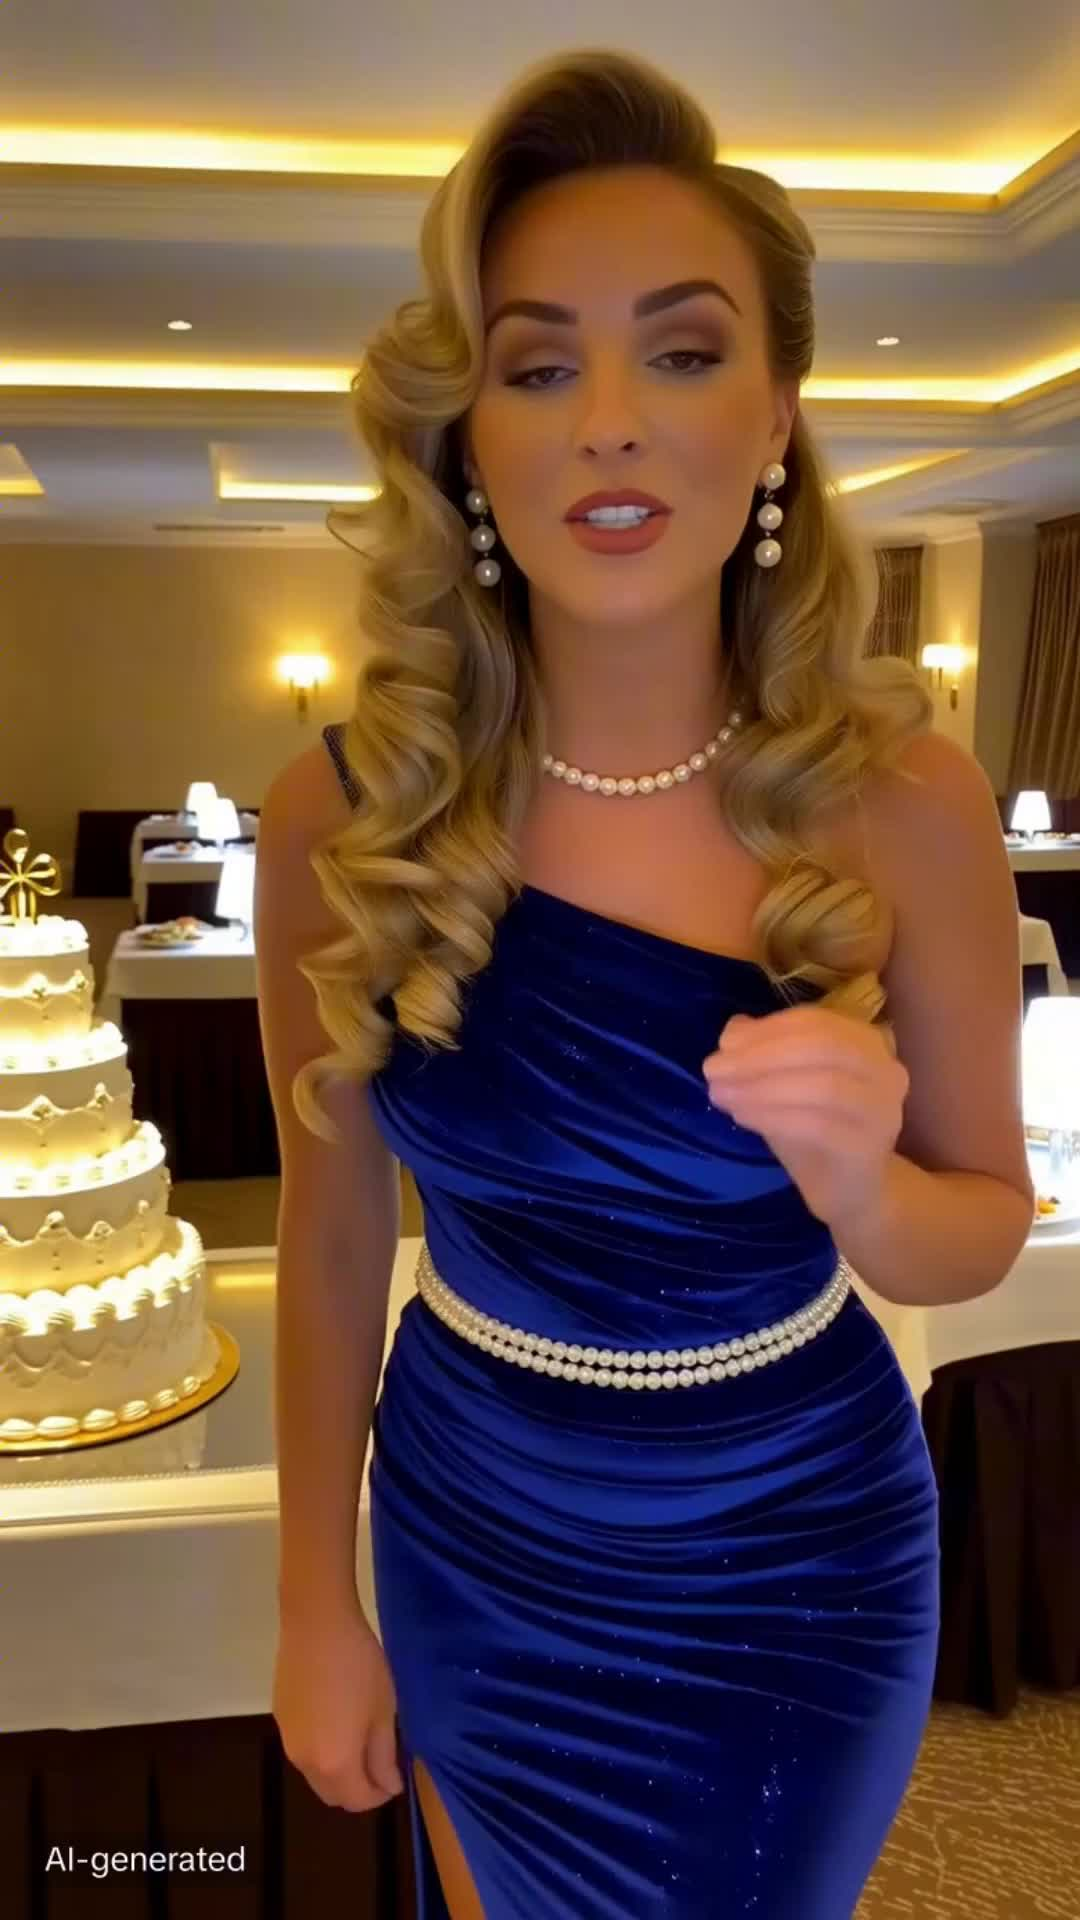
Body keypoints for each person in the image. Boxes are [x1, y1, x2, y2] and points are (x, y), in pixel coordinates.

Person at [254, 47, 1034, 1920]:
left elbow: (983, 1229)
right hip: (476, 1538)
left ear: (777, 416)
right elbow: (332, 1228)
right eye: (539, 367)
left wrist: (863, 1184)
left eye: (681, 353)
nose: (610, 421)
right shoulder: (345, 817)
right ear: (469, 436)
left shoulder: (909, 804)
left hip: (800, 1561)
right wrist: (309, 1603)